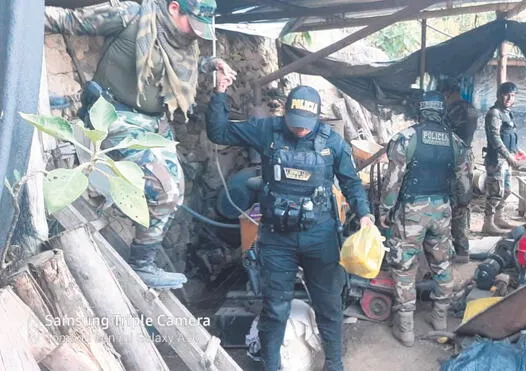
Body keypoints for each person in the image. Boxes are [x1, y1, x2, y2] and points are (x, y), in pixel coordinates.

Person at [44, 0, 237, 289]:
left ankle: (144, 259)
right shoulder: (130, 15)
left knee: (177, 191)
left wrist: (211, 64)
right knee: (165, 190)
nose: (196, 35)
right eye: (192, 24)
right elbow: (66, 20)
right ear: (174, 8)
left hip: (151, 125)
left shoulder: (179, 39)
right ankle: (142, 264)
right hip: (114, 116)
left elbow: (168, 65)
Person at [208, 73, 374, 370]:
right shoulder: (266, 130)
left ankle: (334, 364)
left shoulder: (332, 143)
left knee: (329, 306)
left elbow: (351, 183)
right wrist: (220, 92)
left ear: (317, 117)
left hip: (319, 237)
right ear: (285, 113)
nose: (299, 130)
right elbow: (218, 132)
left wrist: (364, 215)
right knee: (274, 309)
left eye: (305, 125)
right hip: (276, 238)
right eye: (294, 122)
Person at [379, 90, 472, 347]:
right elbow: (465, 182)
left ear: (420, 111)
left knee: (405, 266)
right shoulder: (455, 142)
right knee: (442, 263)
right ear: (442, 111)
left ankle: (406, 329)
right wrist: (462, 206)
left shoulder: (405, 139)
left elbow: (393, 183)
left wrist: (385, 212)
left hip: (411, 212)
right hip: (442, 209)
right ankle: (439, 319)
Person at [439, 78, 479, 263]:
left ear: (448, 93)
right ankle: (462, 248)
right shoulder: (469, 107)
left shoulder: (454, 110)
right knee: (462, 203)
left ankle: (460, 249)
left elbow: (446, 134)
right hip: (465, 156)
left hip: (455, 158)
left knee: (458, 204)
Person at [482, 82, 526, 235]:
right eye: (506, 94)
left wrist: (517, 150)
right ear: (499, 95)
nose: (509, 98)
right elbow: (495, 138)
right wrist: (509, 156)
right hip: (497, 160)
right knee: (495, 192)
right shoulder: (494, 113)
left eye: (512, 95)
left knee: (506, 190)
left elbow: (509, 134)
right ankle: (488, 224)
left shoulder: (507, 112)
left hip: (506, 159)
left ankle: (498, 218)